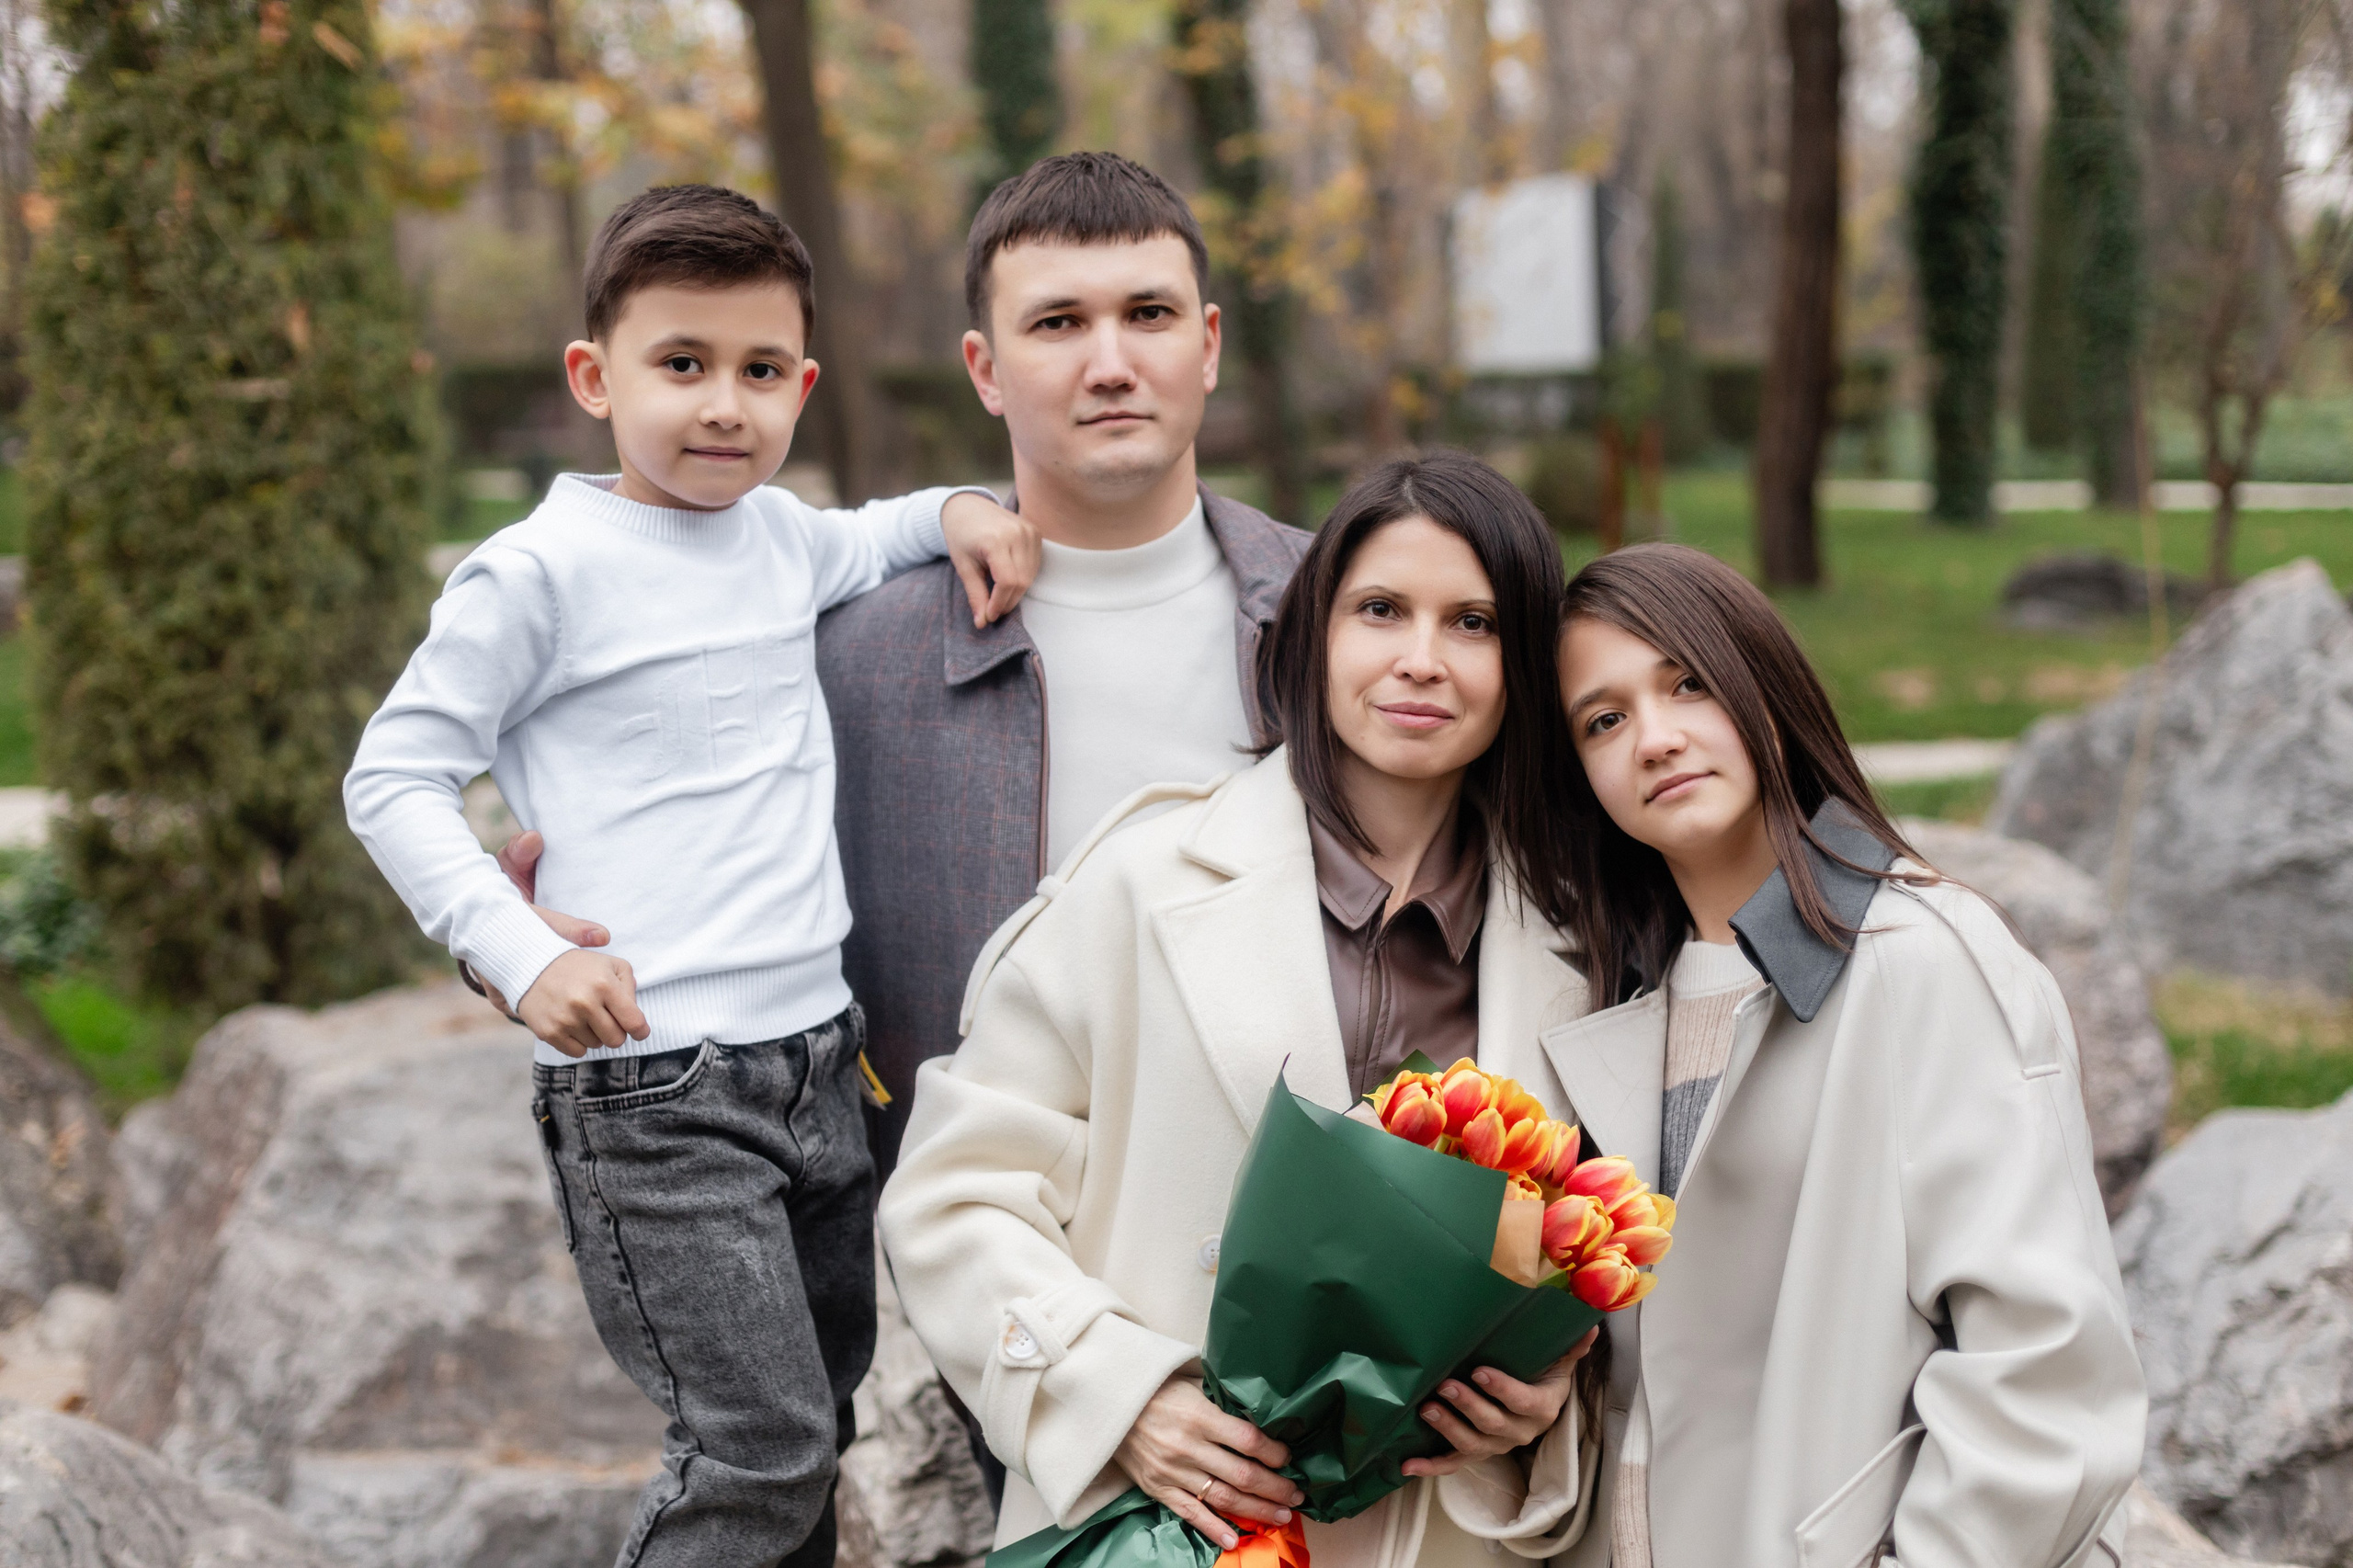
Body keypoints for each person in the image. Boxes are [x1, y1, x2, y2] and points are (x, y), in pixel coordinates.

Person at [342, 184, 1038, 1568]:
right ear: (594, 377)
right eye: (682, 363)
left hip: (820, 1063)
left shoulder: (782, 534)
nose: (725, 404)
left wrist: (965, 504)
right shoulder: (538, 573)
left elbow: (883, 530)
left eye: (760, 370)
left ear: (801, 387)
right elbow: (393, 774)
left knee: (816, 1426)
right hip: (655, 1086)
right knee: (753, 1450)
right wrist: (521, 952)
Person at [879, 452, 1601, 1568]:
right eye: (1380, 609)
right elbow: (952, 1194)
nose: (1421, 657)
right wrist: (1120, 1395)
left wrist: (1544, 1408)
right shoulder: (1137, 879)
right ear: (1312, 633)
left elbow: (1608, 1267)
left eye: (1473, 622)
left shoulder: (1584, 943)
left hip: (1452, 1536)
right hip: (1160, 1529)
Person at [1540, 542, 2144, 1568]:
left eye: (1688, 683)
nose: (1655, 737)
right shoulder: (1609, 1004)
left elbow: (2046, 1378)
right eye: (1604, 719)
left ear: (1766, 692)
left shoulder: (1923, 963)